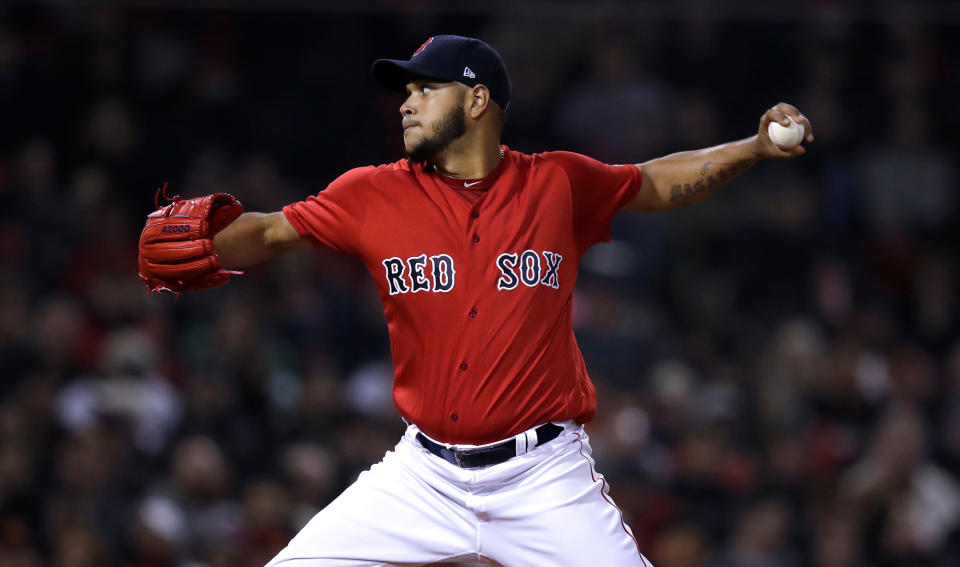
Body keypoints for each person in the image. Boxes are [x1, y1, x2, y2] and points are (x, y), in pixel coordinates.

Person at [139, 35, 813, 567]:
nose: (406, 102)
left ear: (477, 100)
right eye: (406, 91)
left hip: (543, 476)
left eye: (425, 89)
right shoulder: (373, 192)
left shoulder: (556, 184)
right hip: (420, 474)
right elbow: (271, 230)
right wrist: (205, 241)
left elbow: (655, 183)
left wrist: (752, 148)